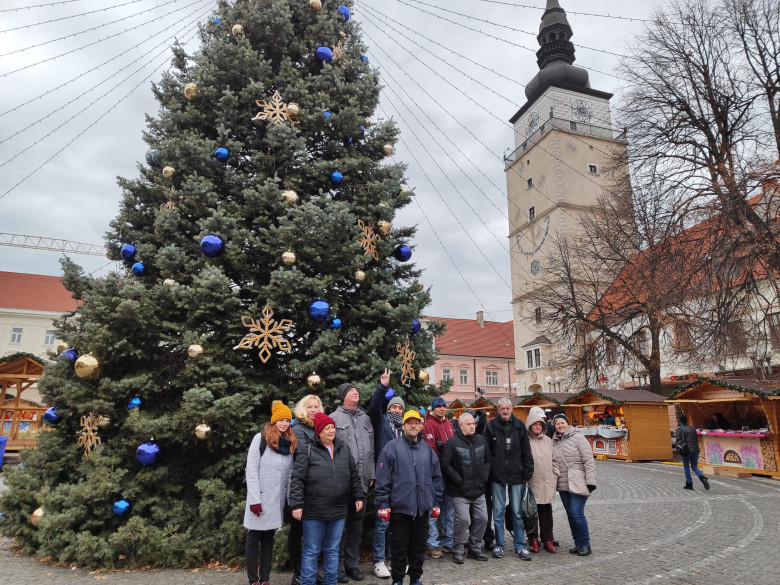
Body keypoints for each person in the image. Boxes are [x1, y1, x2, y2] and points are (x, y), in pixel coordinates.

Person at [290, 413, 364, 585]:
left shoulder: (343, 448)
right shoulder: (306, 450)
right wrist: (296, 504)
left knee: (332, 550)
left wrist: (358, 495)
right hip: (313, 511)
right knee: (311, 551)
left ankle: (330, 582)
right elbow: (297, 479)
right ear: (318, 431)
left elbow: (353, 474)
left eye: (332, 427)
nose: (331, 431)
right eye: (327, 428)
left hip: (338, 510)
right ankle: (308, 582)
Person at [375, 410, 443, 585]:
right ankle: (397, 580)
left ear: (421, 426)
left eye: (416, 423)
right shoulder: (391, 447)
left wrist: (436, 502)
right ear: (403, 425)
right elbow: (383, 478)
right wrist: (383, 503)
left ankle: (415, 578)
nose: (413, 426)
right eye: (409, 422)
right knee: (398, 548)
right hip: (400, 508)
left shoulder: (427, 450)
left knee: (418, 547)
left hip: (422, 509)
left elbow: (436, 478)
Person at [245, 401, 298, 585]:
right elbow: (251, 470)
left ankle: (265, 579)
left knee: (268, 540)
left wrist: (290, 500)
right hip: (259, 498)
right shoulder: (260, 439)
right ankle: (253, 580)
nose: (284, 423)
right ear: (274, 421)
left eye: (287, 420)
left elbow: (290, 474)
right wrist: (254, 500)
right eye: (281, 420)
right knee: (254, 539)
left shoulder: (289, 443)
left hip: (276, 501)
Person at [331, 383, 375, 582]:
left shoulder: (365, 419)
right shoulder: (333, 418)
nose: (355, 392)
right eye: (351, 391)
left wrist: (372, 473)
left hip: (362, 482)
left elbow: (371, 449)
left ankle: (352, 564)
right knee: (340, 526)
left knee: (356, 526)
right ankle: (338, 566)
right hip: (341, 482)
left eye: (357, 390)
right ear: (343, 397)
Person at [484, 397, 534, 560]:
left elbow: (526, 452)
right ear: (498, 410)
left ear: (512, 409)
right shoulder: (491, 426)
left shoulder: (520, 426)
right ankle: (500, 545)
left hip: (516, 474)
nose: (505, 411)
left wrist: (527, 473)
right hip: (497, 475)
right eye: (502, 409)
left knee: (517, 512)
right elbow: (487, 453)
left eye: (507, 408)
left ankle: (519, 546)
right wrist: (489, 472)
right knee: (498, 512)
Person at [440, 412, 491, 564]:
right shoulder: (452, 442)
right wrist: (458, 480)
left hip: (478, 489)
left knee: (483, 518)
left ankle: (475, 549)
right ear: (460, 425)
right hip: (459, 490)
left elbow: (488, 460)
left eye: (473, 424)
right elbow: (445, 464)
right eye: (468, 424)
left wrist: (484, 478)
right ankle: (458, 550)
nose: (472, 426)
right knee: (462, 519)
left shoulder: (481, 440)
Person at [368, 368, 404, 579]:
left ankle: (394, 559)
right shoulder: (381, 422)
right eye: (394, 407)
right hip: (384, 478)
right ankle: (378, 560)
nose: (397, 411)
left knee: (398, 523)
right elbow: (374, 408)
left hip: (403, 481)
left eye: (400, 408)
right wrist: (383, 387)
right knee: (383, 521)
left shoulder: (406, 428)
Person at [288, 394, 325, 585]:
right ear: (303, 409)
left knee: (313, 532)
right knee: (297, 531)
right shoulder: (298, 428)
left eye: (316, 407)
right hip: (302, 484)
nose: (313, 410)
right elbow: (306, 454)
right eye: (309, 407)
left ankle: (309, 570)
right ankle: (298, 571)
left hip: (318, 486)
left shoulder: (320, 428)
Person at [552, 414, 596, 557]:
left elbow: (588, 460)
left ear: (568, 424)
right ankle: (577, 543)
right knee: (571, 514)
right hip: (564, 483)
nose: (560, 426)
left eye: (563, 423)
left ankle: (585, 544)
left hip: (578, 481)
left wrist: (591, 481)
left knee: (577, 513)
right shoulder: (554, 441)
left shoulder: (578, 438)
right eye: (557, 423)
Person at [422, 396, 455, 558]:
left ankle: (449, 541)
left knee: (449, 509)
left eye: (444, 406)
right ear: (433, 408)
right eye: (439, 406)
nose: (442, 408)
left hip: (450, 473)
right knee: (434, 509)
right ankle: (433, 544)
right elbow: (431, 450)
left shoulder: (448, 423)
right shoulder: (429, 424)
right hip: (437, 473)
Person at [525, 409, 559, 554]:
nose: (538, 426)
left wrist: (555, 473)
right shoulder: (525, 441)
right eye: (535, 424)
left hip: (547, 481)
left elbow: (554, 459)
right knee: (531, 512)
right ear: (529, 426)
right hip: (533, 481)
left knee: (546, 511)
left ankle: (548, 539)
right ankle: (533, 538)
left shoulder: (548, 441)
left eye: (540, 424)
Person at [675, 414, 710, 491]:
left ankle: (689, 483)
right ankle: (702, 477)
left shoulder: (679, 429)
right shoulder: (692, 428)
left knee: (686, 467)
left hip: (686, 451)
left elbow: (678, 441)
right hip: (695, 450)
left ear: (680, 421)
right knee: (694, 466)